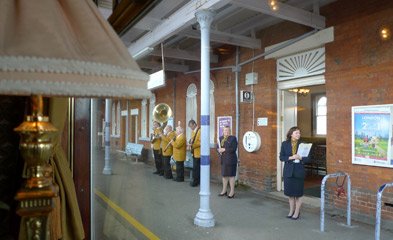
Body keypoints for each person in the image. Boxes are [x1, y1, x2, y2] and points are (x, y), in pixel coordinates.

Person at [279, 126, 310, 220]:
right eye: (296, 133)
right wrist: (291, 157)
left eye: (299, 133)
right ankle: (291, 211)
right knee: (290, 194)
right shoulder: (285, 144)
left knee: (298, 194)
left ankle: (297, 212)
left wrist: (300, 158)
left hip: (298, 171)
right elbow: (281, 157)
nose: (298, 135)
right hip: (288, 171)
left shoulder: (304, 144)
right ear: (291, 134)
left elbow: (309, 158)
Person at [217, 126, 238, 198]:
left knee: (231, 176)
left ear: (230, 131)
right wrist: (219, 150)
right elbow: (218, 147)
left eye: (228, 130)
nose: (226, 132)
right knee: (224, 175)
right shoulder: (220, 138)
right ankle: (224, 190)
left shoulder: (233, 138)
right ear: (222, 131)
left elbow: (233, 149)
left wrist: (224, 150)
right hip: (223, 160)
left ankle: (232, 192)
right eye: (225, 130)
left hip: (231, 160)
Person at [188, 120, 201, 187]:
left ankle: (196, 182)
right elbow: (192, 139)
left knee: (196, 168)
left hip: (198, 152)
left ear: (194, 124)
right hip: (194, 152)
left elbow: (200, 142)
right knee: (195, 167)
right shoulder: (193, 131)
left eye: (191, 126)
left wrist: (192, 145)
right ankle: (196, 180)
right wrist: (190, 142)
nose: (191, 128)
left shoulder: (200, 131)